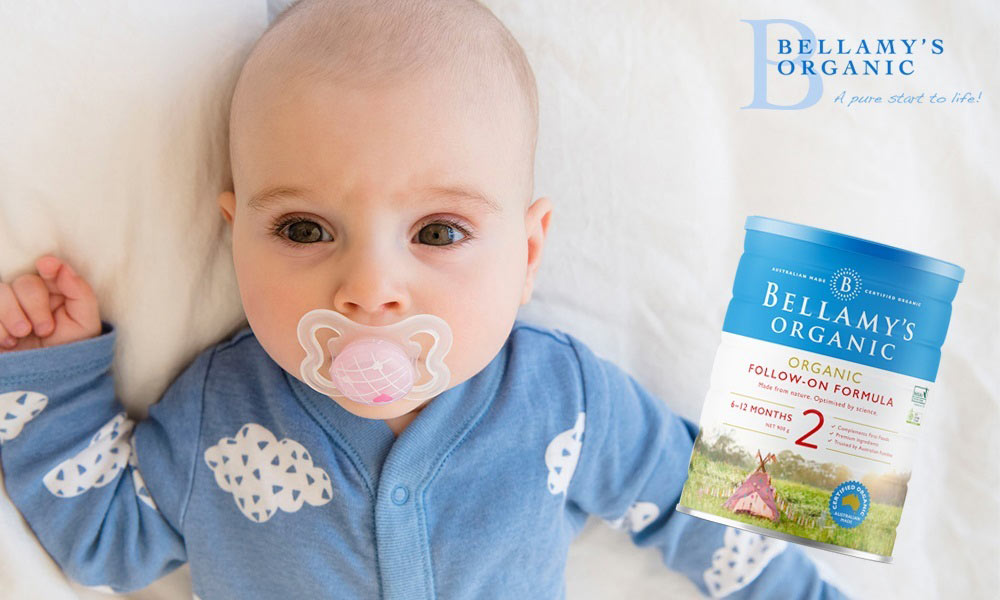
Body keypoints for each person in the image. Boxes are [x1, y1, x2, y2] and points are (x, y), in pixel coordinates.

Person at [0, 0, 851, 597]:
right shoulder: (219, 416)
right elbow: (106, 540)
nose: (370, 290)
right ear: (235, 237)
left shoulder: (563, 400)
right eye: (303, 229)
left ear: (526, 254)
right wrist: (58, 385)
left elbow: (699, 498)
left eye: (438, 232)